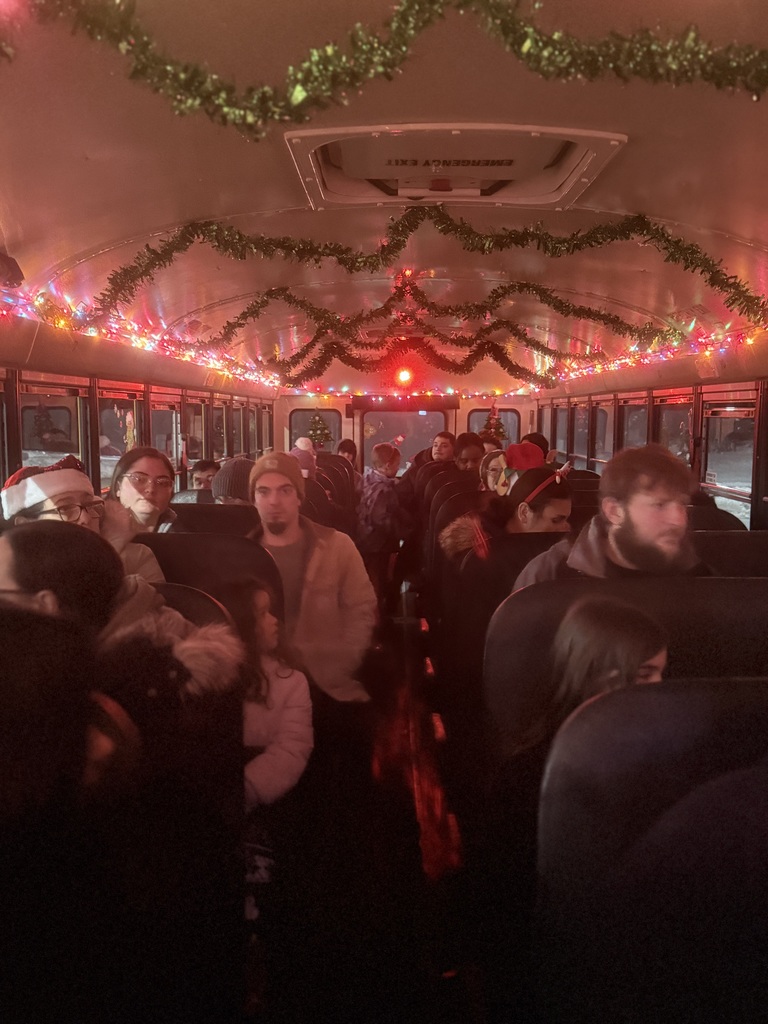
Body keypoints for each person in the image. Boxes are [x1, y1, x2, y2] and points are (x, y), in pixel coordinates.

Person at [483, 597, 667, 1022]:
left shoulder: (667, 758)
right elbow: (506, 916)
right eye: (644, 676)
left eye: (661, 673)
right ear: (597, 676)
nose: (659, 690)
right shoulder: (530, 778)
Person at [249, 452, 376, 704]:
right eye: (264, 492)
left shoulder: (338, 546)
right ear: (253, 499)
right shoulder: (241, 555)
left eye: (285, 490)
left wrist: (339, 665)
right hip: (261, 690)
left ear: (299, 497)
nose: (274, 501)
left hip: (327, 687)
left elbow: (362, 610)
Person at [514, 444, 709, 589]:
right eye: (659, 505)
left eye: (682, 505)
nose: (679, 520)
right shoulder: (549, 575)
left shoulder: (700, 576)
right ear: (614, 511)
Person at [1, 454, 164, 582]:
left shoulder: (137, 557)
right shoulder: (9, 572)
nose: (85, 518)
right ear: (26, 525)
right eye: (65, 508)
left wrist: (110, 550)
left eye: (90, 505)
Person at [439, 466, 572, 561]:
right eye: (556, 520)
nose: (566, 528)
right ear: (524, 512)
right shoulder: (481, 552)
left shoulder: (557, 554)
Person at [357, 443, 412, 606]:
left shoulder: (367, 480)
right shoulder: (382, 490)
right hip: (378, 544)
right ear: (388, 465)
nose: (398, 468)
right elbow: (381, 518)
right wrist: (404, 531)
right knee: (378, 582)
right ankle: (377, 618)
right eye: (397, 464)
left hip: (365, 538)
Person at [109, 446, 178, 533]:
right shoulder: (96, 532)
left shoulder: (187, 534)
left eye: (162, 482)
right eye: (139, 479)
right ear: (118, 487)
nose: (151, 489)